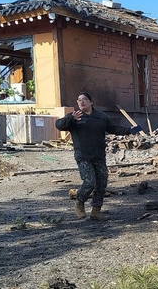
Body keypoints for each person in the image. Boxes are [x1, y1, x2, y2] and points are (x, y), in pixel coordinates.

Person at [55, 92, 142, 220]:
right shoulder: (75, 117)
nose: (81, 102)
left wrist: (130, 130)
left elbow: (114, 128)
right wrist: (71, 119)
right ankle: (79, 202)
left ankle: (96, 211)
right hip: (83, 156)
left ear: (91, 102)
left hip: (99, 155)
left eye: (84, 99)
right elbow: (59, 125)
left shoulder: (101, 116)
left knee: (101, 183)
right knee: (89, 182)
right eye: (79, 100)